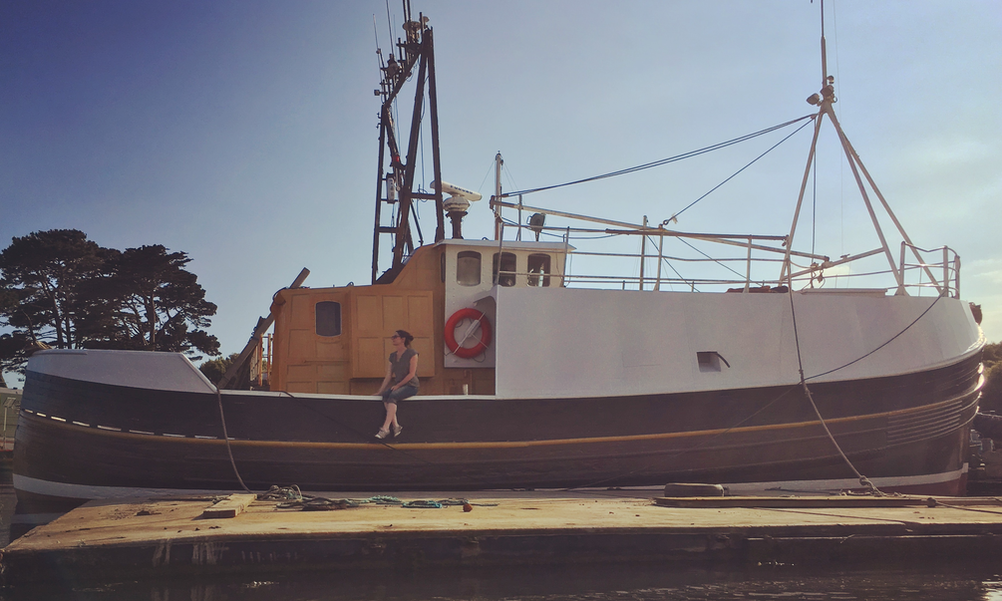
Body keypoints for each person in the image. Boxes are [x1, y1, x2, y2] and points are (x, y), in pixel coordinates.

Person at [374, 329, 419, 439]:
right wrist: (379, 391)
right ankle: (396, 426)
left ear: (402, 339)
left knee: (393, 396)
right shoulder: (392, 356)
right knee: (385, 395)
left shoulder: (412, 354)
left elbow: (411, 374)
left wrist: (398, 385)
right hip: (399, 385)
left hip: (410, 386)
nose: (392, 339)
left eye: (395, 337)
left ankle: (385, 428)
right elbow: (389, 375)